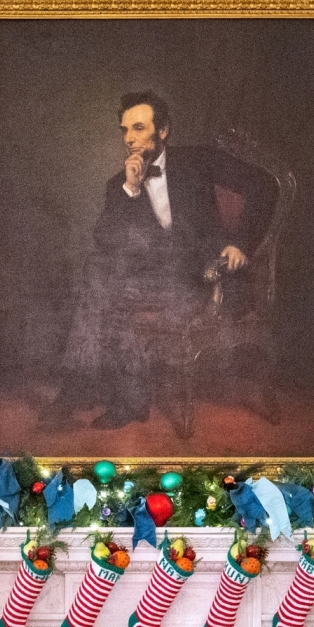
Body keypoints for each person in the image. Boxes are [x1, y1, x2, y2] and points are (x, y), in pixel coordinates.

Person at [52, 91, 281, 433]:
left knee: (101, 284)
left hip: (204, 276)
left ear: (163, 131)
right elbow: (106, 241)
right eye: (124, 129)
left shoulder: (198, 161)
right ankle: (116, 396)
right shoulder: (119, 184)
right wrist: (131, 190)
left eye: (139, 127)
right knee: (99, 277)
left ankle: (82, 392)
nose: (129, 137)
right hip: (153, 279)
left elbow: (265, 186)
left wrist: (240, 242)